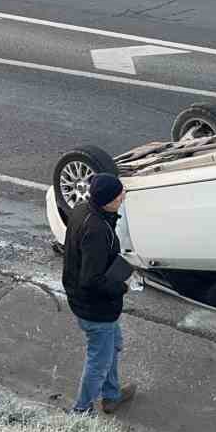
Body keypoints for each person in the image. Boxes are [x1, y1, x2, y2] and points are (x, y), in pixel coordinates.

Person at [62, 173, 137, 415]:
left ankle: (111, 395)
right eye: (119, 196)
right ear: (107, 201)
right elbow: (91, 280)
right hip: (95, 309)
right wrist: (123, 287)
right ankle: (81, 411)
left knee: (112, 346)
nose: (123, 197)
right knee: (98, 361)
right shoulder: (96, 231)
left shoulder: (83, 209)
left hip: (86, 302)